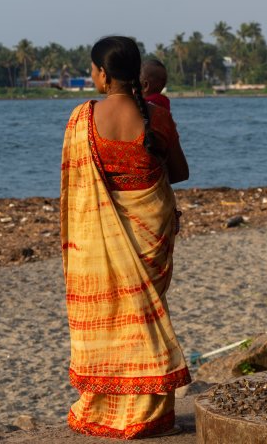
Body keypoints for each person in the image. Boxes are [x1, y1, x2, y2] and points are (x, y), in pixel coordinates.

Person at [60, 36, 190, 439]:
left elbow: (75, 186)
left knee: (110, 317)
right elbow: (181, 172)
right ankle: (149, 411)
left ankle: (101, 407)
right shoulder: (157, 117)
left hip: (98, 239)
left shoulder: (82, 118)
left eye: (92, 69)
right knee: (143, 316)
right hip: (149, 231)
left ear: (101, 74)